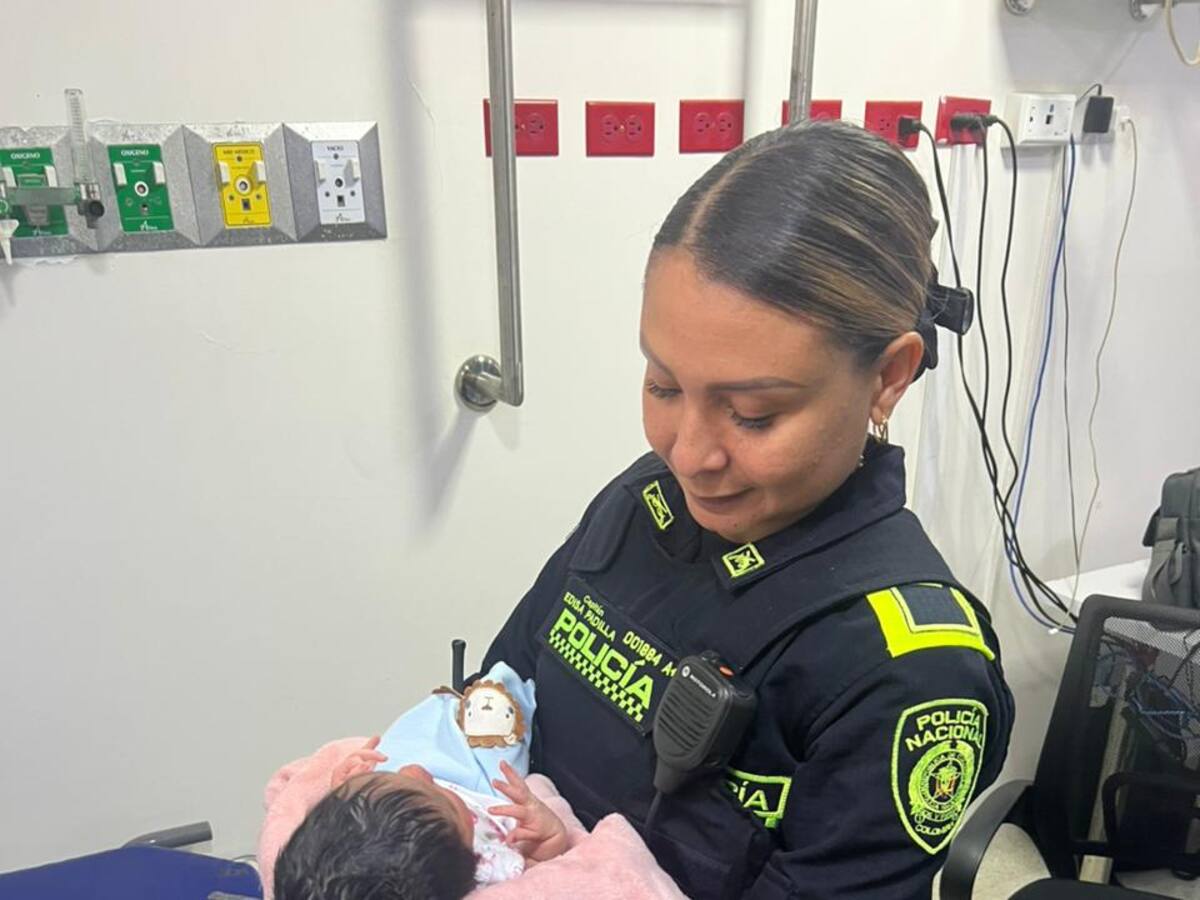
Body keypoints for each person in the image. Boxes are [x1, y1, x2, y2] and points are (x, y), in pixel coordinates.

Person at [481, 120, 1016, 899]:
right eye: (664, 386)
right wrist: (434, 789)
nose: (689, 454)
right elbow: (501, 689)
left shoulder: (909, 675)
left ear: (889, 378)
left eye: (755, 413)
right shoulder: (643, 503)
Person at [266, 664, 570, 900]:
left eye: (392, 778)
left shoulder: (340, 836)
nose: (417, 769)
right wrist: (549, 837)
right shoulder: (493, 865)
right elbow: (547, 871)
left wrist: (340, 790)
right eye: (443, 796)